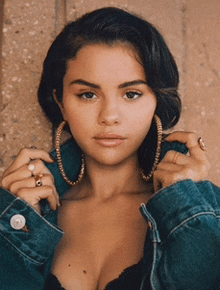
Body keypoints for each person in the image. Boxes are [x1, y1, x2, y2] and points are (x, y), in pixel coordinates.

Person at [0, 6, 219, 290]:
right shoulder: (25, 216)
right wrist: (11, 225)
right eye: (88, 94)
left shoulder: (207, 213)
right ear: (61, 102)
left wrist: (188, 208)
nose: (109, 115)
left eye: (131, 94)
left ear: (156, 100)